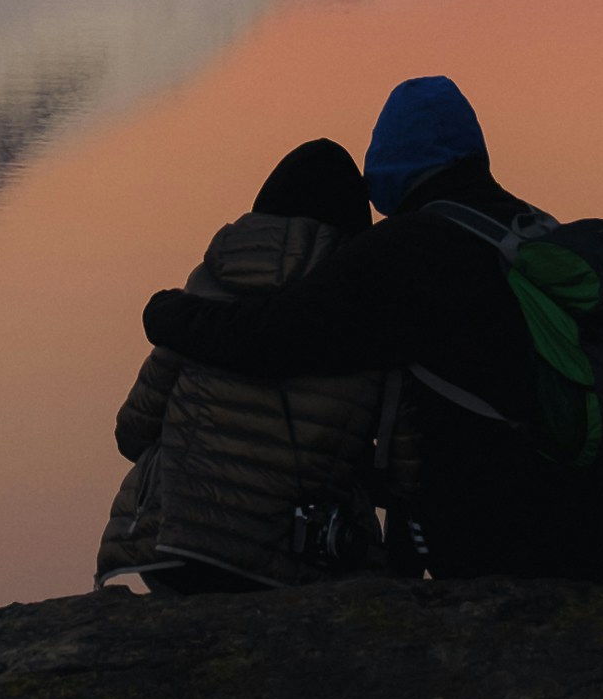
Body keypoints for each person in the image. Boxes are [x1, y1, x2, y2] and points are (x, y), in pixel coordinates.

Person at [140, 77, 603, 585]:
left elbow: (272, 336)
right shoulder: (530, 231)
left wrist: (168, 313)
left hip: (513, 544)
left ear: (389, 159)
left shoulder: (407, 250)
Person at [95, 138, 390, 591]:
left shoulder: (206, 293)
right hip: (296, 564)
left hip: (176, 556)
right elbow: (399, 467)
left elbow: (133, 431)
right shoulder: (362, 310)